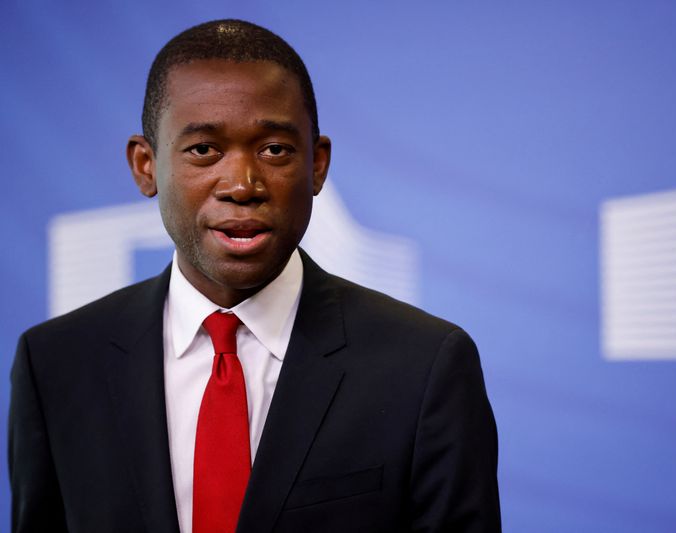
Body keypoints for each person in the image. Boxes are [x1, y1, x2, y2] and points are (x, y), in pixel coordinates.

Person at [9, 19, 501, 533]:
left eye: (274, 150)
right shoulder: (56, 365)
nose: (242, 185)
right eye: (203, 150)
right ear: (146, 166)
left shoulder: (424, 366)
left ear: (317, 166)